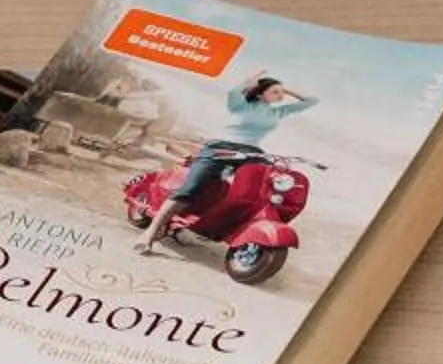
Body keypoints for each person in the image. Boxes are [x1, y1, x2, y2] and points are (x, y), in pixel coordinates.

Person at [135, 72, 318, 256]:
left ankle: (221, 225)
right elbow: (235, 90)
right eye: (275, 92)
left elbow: (312, 100)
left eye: (281, 92)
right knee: (191, 188)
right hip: (219, 148)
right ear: (260, 93)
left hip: (251, 152)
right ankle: (150, 233)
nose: (281, 95)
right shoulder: (241, 105)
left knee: (265, 186)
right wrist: (255, 79)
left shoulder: (277, 111)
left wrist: (284, 88)